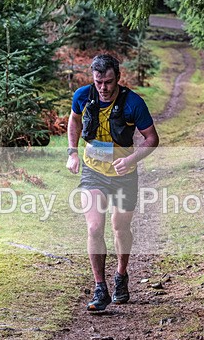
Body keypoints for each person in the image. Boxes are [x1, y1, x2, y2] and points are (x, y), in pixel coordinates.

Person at [66, 54, 159, 311]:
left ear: (118, 77)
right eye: (98, 82)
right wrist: (72, 152)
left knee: (120, 227)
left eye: (108, 82)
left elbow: (152, 139)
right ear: (93, 79)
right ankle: (100, 287)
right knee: (95, 227)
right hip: (93, 171)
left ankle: (121, 275)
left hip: (124, 174)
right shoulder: (83, 96)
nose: (103, 88)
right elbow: (74, 120)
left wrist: (131, 159)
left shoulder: (133, 103)